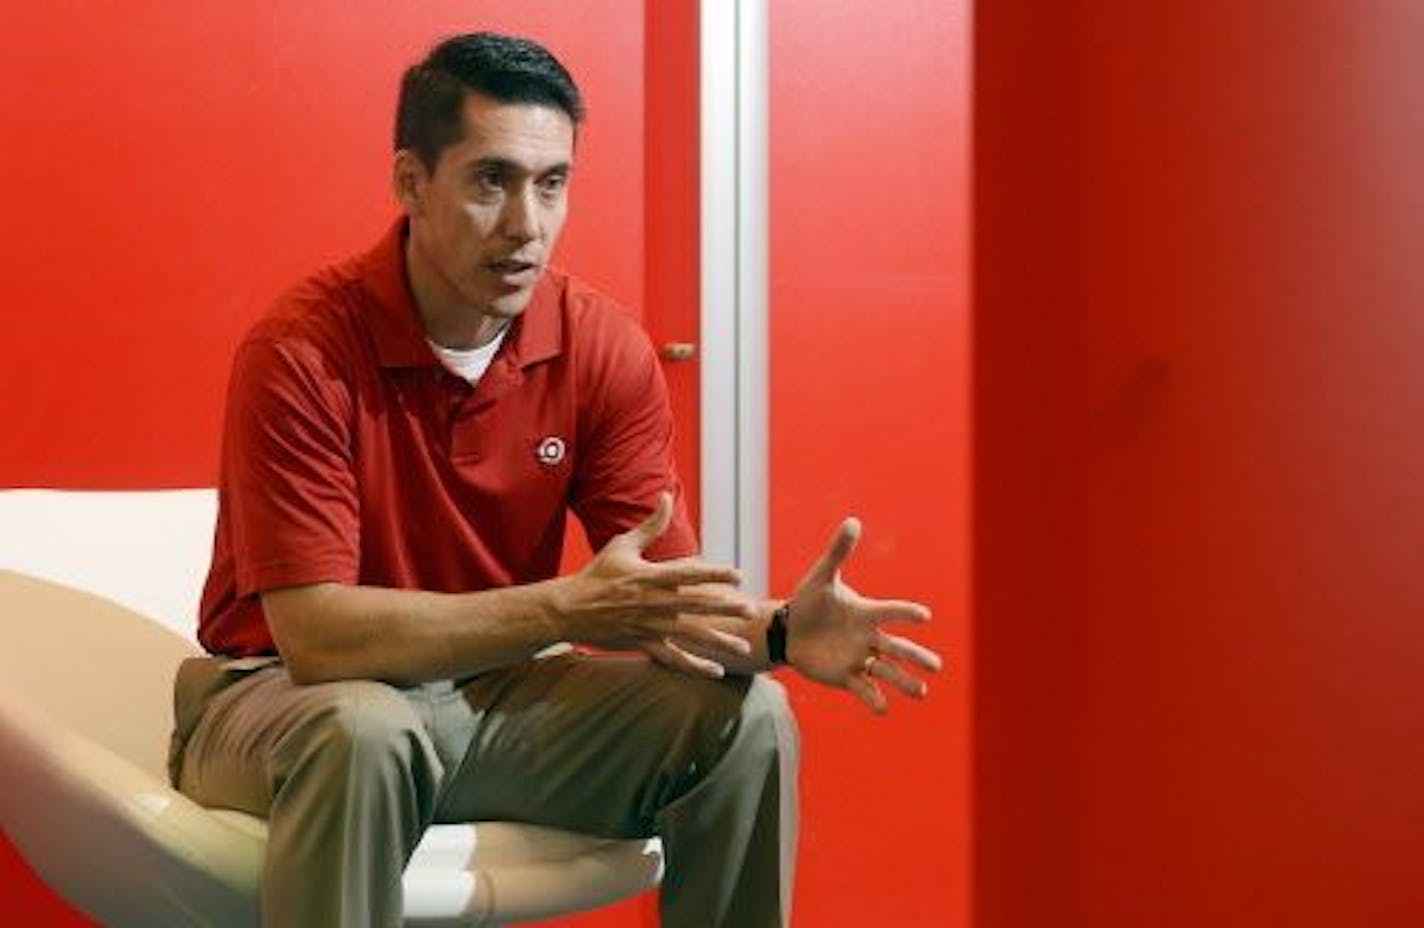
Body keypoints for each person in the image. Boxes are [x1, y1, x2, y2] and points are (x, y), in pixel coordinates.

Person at [169, 32, 942, 928]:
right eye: (491, 180)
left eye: (552, 183)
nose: (525, 225)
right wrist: (565, 610)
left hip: (490, 697)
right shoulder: (302, 352)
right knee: (365, 733)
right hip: (278, 700)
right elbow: (316, 640)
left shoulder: (599, 347)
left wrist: (775, 633)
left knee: (749, 722)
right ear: (412, 182)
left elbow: (662, 607)